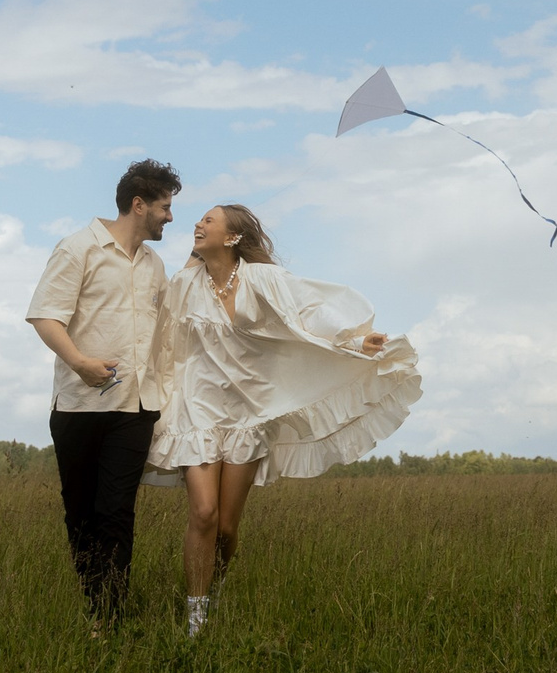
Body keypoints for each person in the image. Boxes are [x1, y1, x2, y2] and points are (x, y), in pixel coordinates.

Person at [150, 203, 421, 637]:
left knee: (225, 527)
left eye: (209, 220)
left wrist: (352, 338)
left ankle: (215, 587)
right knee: (202, 512)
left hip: (249, 412)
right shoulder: (185, 283)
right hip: (196, 409)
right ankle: (196, 617)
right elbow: (156, 324)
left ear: (233, 237)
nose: (197, 224)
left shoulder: (263, 279)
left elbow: (311, 310)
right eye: (198, 220)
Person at [25, 158, 181, 629]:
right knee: (82, 514)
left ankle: (109, 618)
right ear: (139, 205)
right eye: (164, 207)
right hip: (79, 406)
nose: (170, 217)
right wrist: (80, 362)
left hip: (136, 408)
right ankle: (95, 603)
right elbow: (44, 316)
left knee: (117, 512)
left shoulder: (155, 265)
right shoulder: (78, 249)